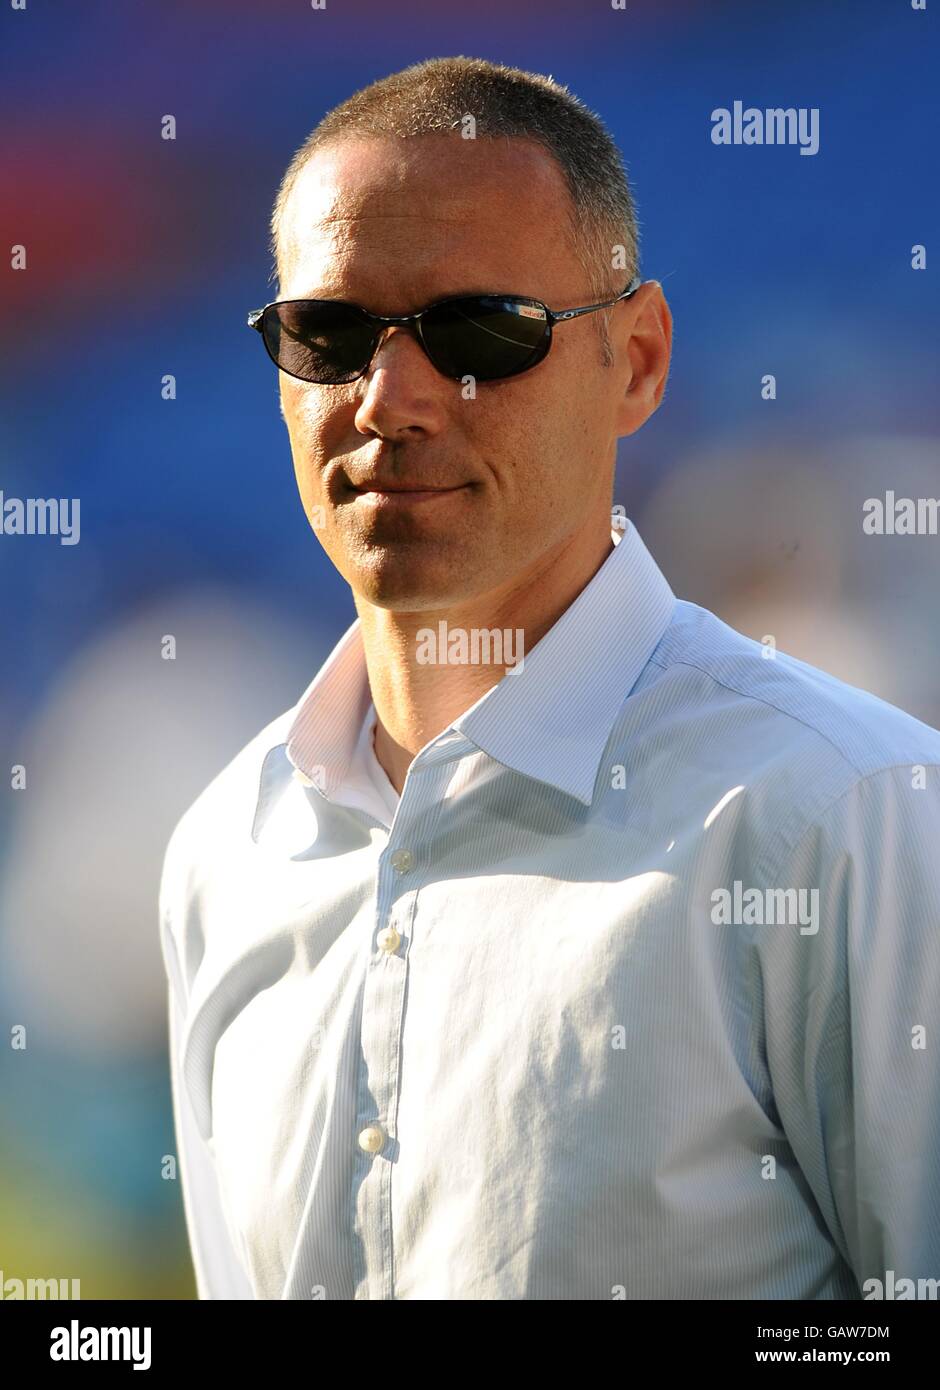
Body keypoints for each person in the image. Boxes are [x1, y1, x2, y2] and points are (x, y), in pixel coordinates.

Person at [159, 56, 940, 1300]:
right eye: (328, 333)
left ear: (635, 361)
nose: (392, 400)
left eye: (480, 331)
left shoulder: (846, 815)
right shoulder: (224, 854)